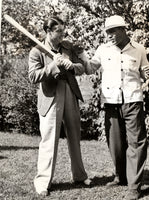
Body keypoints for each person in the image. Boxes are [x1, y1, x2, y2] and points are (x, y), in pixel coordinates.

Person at [79, 15, 149, 200]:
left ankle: (134, 186)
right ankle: (121, 176)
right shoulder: (103, 49)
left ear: (123, 30)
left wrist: (145, 81)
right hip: (111, 101)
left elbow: (146, 72)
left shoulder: (139, 49)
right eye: (107, 31)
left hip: (133, 101)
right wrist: (81, 55)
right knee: (115, 143)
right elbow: (90, 68)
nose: (109, 35)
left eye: (112, 31)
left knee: (136, 142)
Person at [28, 16, 91, 197]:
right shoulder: (37, 51)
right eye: (59, 32)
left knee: (74, 136)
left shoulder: (68, 47)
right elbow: (33, 76)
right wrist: (53, 66)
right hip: (50, 96)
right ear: (48, 31)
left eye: (64, 31)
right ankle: (42, 183)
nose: (63, 34)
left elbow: (81, 67)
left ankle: (80, 176)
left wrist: (72, 65)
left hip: (70, 91)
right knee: (49, 141)